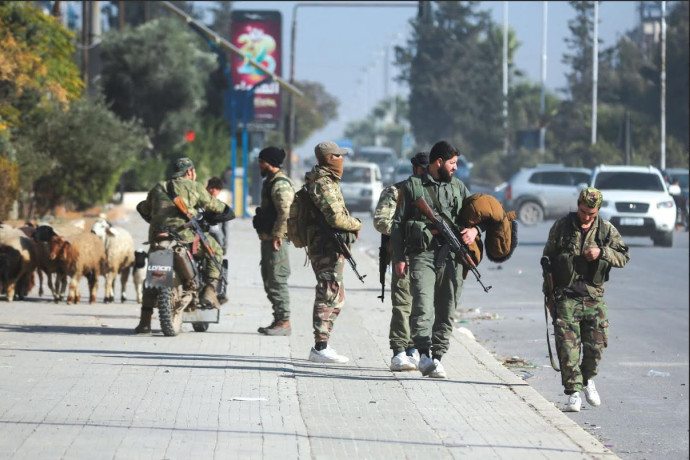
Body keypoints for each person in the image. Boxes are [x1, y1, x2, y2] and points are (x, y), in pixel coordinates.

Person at [390, 141, 477, 379]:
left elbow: (475, 215)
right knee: (422, 305)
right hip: (422, 254)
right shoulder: (413, 186)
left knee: (447, 308)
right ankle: (424, 354)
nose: (456, 168)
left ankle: (438, 357)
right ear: (439, 162)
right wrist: (398, 257)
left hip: (452, 255)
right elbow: (397, 225)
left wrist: (474, 232)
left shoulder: (458, 187)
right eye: (453, 163)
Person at [542, 187, 630, 412]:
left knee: (596, 346)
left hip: (593, 298)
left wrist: (602, 253)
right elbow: (547, 260)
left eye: (591, 213)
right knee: (568, 349)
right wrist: (549, 296)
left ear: (598, 210)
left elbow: (623, 257)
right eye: (582, 211)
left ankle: (588, 379)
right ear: (578, 206)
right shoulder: (562, 227)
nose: (586, 217)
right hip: (566, 298)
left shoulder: (606, 230)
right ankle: (573, 393)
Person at [133, 157, 233, 334]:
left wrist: (154, 220)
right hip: (184, 238)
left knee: (152, 277)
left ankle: (144, 322)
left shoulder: (158, 187)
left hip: (158, 238)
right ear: (189, 172)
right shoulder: (194, 187)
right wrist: (226, 212)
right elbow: (215, 206)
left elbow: (143, 208)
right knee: (215, 250)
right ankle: (209, 290)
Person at [304, 141, 362, 363]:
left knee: (336, 294)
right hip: (325, 246)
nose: (342, 160)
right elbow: (336, 218)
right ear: (330, 159)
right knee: (328, 292)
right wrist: (356, 224)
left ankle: (323, 343)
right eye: (339, 156)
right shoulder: (324, 184)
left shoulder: (326, 181)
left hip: (329, 245)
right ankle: (320, 347)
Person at [373, 152, 429, 371]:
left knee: (422, 306)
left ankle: (413, 349)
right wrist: (407, 233)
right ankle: (398, 351)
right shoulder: (396, 192)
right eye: (424, 169)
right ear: (415, 168)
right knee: (403, 304)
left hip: (426, 258)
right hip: (402, 255)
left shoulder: (432, 192)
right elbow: (381, 221)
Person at [253, 146, 295, 336]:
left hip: (276, 240)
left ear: (269, 163)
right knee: (269, 280)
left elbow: (285, 212)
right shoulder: (269, 182)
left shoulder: (280, 184)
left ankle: (284, 322)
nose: (259, 166)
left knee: (277, 280)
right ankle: (278, 318)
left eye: (261, 162)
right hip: (268, 239)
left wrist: (278, 235)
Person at [205, 177, 229, 252]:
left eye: (217, 188)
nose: (213, 190)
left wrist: (225, 245)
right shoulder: (199, 204)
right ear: (207, 188)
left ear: (220, 191)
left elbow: (225, 228)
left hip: (217, 242)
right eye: (211, 187)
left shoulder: (222, 207)